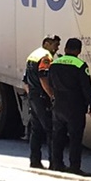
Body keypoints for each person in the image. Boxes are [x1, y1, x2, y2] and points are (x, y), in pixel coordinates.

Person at [47, 37, 91, 176]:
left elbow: (50, 83)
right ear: (78, 50)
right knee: (75, 137)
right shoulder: (80, 65)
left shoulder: (54, 63)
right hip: (75, 106)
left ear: (65, 49)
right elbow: (86, 87)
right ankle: (74, 166)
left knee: (57, 136)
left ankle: (57, 164)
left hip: (58, 105)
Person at [24, 35, 60, 169]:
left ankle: (35, 161)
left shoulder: (32, 55)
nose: (57, 48)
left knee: (36, 129)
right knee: (50, 129)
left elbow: (25, 81)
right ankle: (54, 163)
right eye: (55, 45)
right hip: (42, 96)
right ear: (47, 43)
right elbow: (43, 78)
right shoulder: (46, 57)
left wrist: (31, 96)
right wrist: (51, 95)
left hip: (34, 96)